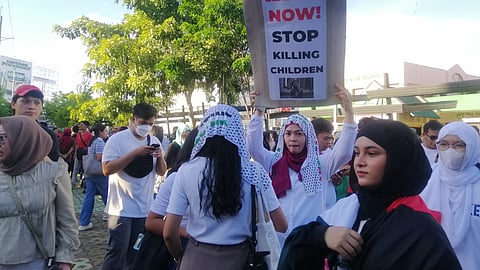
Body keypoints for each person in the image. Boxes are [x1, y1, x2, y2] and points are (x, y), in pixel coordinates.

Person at [278, 119, 461, 270]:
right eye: (357, 153)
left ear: (397, 160)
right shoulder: (346, 208)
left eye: (372, 153)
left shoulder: (421, 230)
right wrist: (323, 236)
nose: (359, 162)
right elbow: (295, 250)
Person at [164, 104, 287, 270]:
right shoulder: (254, 171)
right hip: (242, 260)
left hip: (195, 258)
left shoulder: (186, 171)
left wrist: (181, 257)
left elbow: (169, 233)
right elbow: (281, 225)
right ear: (237, 131)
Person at [247, 84, 357, 246]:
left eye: (299, 134)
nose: (293, 138)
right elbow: (253, 147)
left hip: (309, 240)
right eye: (288, 133)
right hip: (278, 240)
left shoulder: (321, 164)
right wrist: (259, 112)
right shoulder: (274, 161)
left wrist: (349, 112)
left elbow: (345, 153)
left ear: (308, 138)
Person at [0, 115, 79, 269]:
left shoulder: (53, 171)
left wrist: (65, 258)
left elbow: (67, 219)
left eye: (2, 138)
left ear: (22, 138)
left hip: (36, 260)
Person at [101, 102, 167, 270]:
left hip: (144, 209)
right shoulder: (117, 140)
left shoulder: (154, 140)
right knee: (116, 252)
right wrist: (134, 154)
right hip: (119, 209)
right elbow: (107, 169)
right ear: (133, 120)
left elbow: (161, 172)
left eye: (151, 123)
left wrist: (160, 157)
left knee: (136, 254)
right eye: (143, 123)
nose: (147, 127)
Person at [137, 127, 199, 270]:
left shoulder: (233, 179)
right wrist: (187, 234)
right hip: (183, 247)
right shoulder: (178, 178)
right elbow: (152, 222)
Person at [421, 121, 480, 269]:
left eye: (459, 145)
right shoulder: (425, 182)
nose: (450, 151)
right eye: (444, 144)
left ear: (472, 147)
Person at [10, 84, 60, 162]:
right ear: (13, 104)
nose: (32, 107)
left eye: (37, 103)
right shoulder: (3, 129)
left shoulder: (49, 136)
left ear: (42, 107)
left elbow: (56, 167)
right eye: (25, 101)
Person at [78, 123, 109, 231]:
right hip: (98, 172)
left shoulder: (92, 141)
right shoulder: (100, 141)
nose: (107, 133)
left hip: (89, 172)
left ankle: (84, 222)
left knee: (89, 196)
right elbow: (99, 156)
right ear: (100, 132)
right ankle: (113, 217)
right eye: (105, 131)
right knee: (107, 194)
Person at [71, 120, 93, 187]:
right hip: (79, 152)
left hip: (85, 153)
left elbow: (90, 145)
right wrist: (75, 153)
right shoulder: (78, 134)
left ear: (86, 126)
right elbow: (77, 144)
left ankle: (84, 183)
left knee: (85, 170)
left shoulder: (90, 135)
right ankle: (72, 183)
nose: (80, 126)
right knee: (75, 169)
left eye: (82, 124)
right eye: (80, 124)